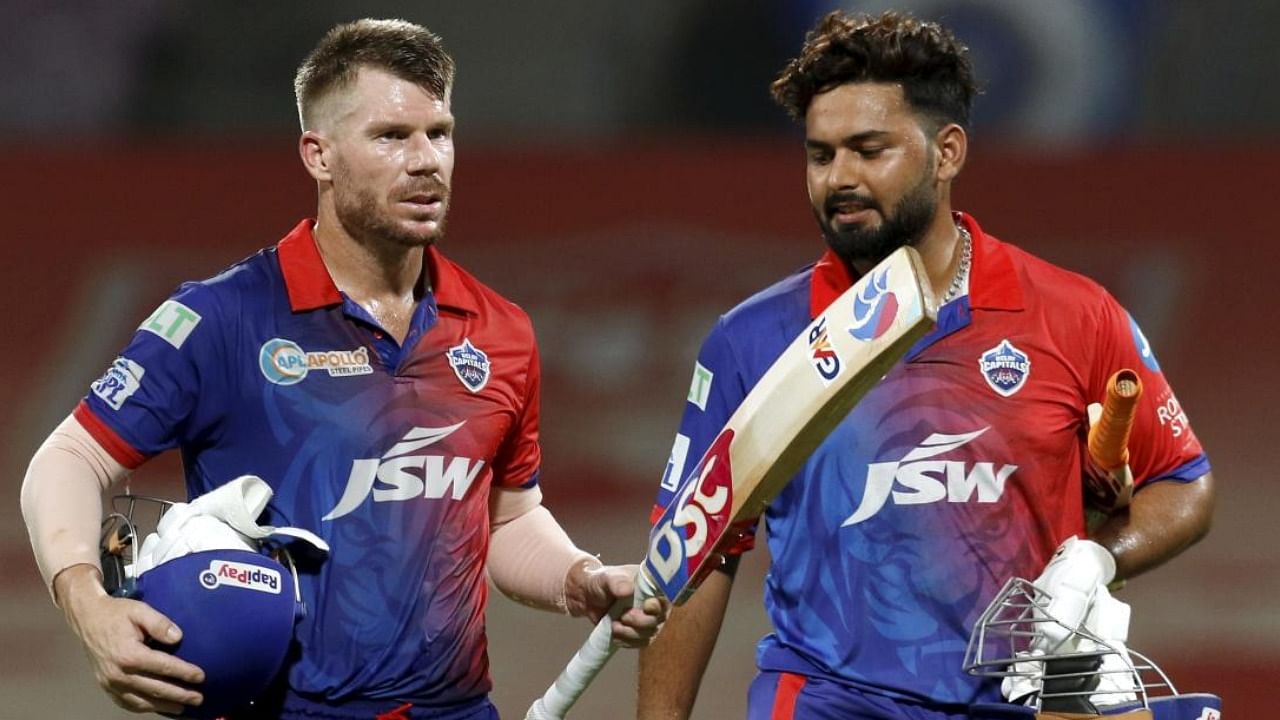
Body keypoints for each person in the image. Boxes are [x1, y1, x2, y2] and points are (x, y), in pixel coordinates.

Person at [20, 18, 665, 720]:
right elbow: (70, 458)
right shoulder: (224, 318)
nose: (427, 161)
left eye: (440, 132)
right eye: (392, 137)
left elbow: (508, 519)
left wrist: (582, 579)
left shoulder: (500, 329)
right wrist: (86, 601)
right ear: (318, 156)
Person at [636, 10, 1214, 720]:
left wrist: (1100, 557)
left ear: (947, 153)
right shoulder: (752, 341)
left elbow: (1184, 485)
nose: (838, 178)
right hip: (827, 702)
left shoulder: (1076, 315)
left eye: (869, 150)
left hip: (1023, 703)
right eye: (821, 155)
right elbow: (695, 559)